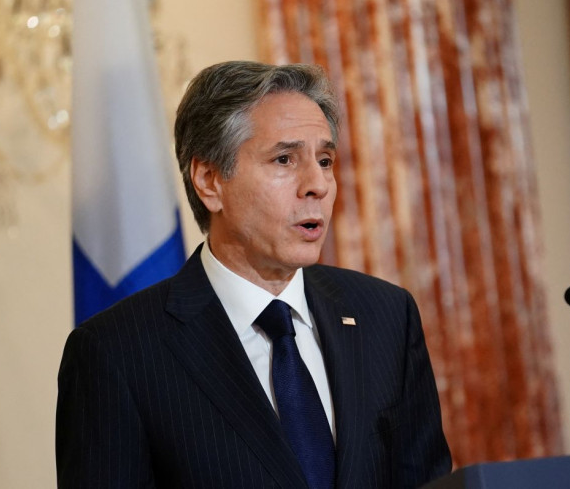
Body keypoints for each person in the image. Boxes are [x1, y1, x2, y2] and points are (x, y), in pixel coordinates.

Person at [56, 60, 452, 488]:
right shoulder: (116, 353)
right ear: (209, 181)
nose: (317, 184)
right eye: (285, 159)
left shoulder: (387, 316)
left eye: (325, 160)